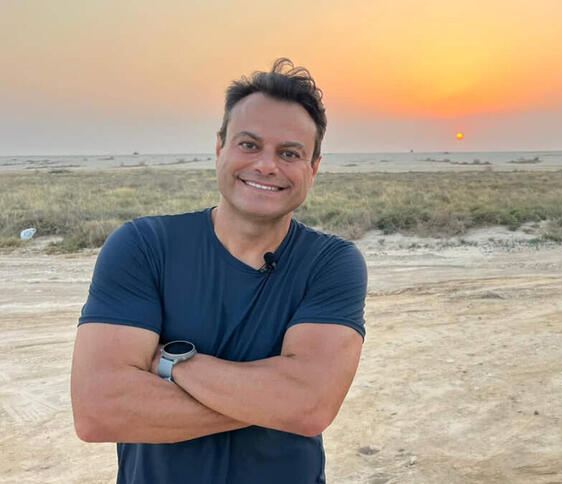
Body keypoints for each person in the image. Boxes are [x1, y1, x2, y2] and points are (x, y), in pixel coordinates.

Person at [70, 58, 367, 484]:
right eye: (249, 144)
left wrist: (174, 364)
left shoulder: (330, 263)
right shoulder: (144, 246)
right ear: (219, 148)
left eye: (290, 153)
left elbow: (309, 407)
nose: (267, 165)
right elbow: (99, 411)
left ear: (313, 169)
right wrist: (274, 400)